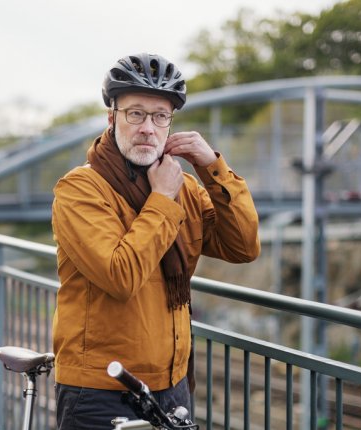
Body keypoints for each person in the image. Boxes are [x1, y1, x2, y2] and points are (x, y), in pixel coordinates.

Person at [51, 53, 261, 429]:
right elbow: (120, 276)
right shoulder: (80, 188)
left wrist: (213, 167)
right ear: (112, 117)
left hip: (172, 386)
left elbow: (243, 246)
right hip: (101, 389)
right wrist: (162, 199)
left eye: (160, 116)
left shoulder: (186, 188)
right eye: (136, 114)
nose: (148, 127)